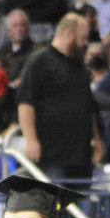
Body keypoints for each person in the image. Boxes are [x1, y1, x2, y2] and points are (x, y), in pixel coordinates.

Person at [17, 13, 102, 182]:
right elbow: (26, 102)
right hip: (52, 155)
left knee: (80, 197)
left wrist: (95, 139)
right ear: (69, 34)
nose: (86, 43)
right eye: (83, 38)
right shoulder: (40, 61)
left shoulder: (80, 66)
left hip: (81, 157)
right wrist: (31, 139)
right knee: (53, 197)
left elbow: (88, 106)